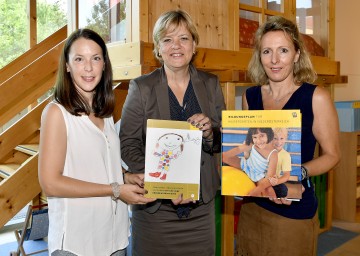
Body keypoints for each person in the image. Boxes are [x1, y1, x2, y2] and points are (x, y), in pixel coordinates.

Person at [38, 28, 154, 256]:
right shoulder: (56, 113)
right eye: (79, 59)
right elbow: (50, 183)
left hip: (114, 237)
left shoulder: (105, 111)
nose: (89, 68)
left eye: (96, 58)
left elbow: (98, 165)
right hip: (77, 242)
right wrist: (116, 190)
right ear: (67, 66)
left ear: (104, 64)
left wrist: (125, 177)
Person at [119, 9, 225, 256]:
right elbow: (128, 143)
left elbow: (224, 139)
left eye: (184, 38)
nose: (176, 46)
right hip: (155, 211)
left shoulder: (211, 84)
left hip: (201, 210)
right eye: (167, 39)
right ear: (158, 48)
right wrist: (163, 185)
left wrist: (210, 133)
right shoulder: (141, 87)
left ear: (194, 45)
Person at [236, 16, 340, 256]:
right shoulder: (250, 97)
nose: (274, 60)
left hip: (292, 208)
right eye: (266, 52)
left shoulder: (316, 98)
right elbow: (251, 147)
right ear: (259, 56)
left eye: (283, 50)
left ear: (296, 54)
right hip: (254, 204)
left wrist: (298, 173)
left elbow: (333, 155)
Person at [222, 127, 279, 198]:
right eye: (255, 137)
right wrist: (224, 155)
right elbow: (238, 149)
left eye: (261, 136)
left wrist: (254, 192)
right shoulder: (253, 145)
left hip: (259, 176)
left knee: (269, 192)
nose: (258, 141)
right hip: (245, 165)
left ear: (269, 135)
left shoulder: (273, 154)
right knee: (224, 156)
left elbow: (269, 177)